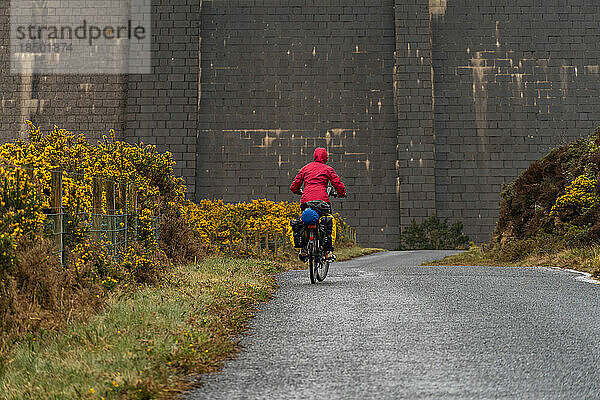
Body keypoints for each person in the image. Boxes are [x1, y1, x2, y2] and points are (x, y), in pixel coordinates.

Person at [290, 147, 346, 262]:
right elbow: (337, 183)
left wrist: (298, 191)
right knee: (327, 221)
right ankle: (328, 251)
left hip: (306, 201)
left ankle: (304, 249)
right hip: (322, 201)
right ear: (326, 158)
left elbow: (294, 186)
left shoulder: (305, 168)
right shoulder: (327, 169)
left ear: (314, 156)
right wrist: (341, 193)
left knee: (305, 221)